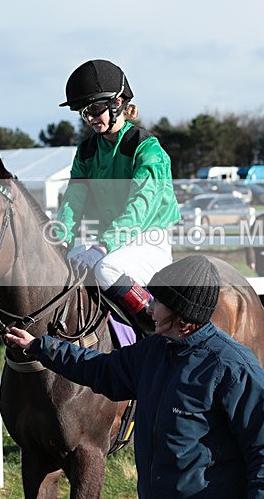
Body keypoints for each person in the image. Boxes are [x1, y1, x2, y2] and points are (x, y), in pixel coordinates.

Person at [4, 255, 264, 498]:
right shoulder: (153, 352)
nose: (149, 308)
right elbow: (98, 369)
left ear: (182, 314)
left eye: (159, 302)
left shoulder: (234, 368)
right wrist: (39, 346)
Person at [56, 59, 181, 329]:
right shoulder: (87, 151)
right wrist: (60, 239)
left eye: (96, 109)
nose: (90, 118)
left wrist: (103, 246)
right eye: (84, 112)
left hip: (148, 240)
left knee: (106, 269)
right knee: (62, 267)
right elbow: (73, 201)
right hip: (108, 241)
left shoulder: (148, 149)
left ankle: (157, 331)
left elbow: (140, 207)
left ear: (119, 102)